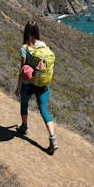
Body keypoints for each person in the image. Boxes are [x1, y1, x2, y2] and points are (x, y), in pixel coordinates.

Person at [14, 21, 58, 153]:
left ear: (26, 32)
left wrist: (18, 86)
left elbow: (23, 69)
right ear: (37, 31)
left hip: (28, 84)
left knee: (24, 104)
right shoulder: (43, 45)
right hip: (42, 83)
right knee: (44, 110)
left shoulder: (24, 48)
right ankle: (53, 138)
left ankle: (24, 127)